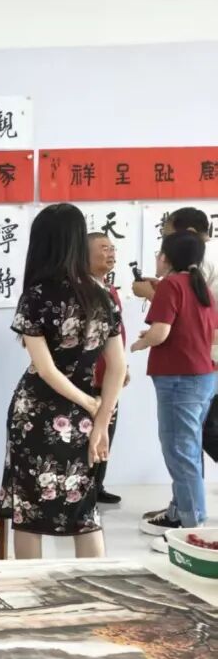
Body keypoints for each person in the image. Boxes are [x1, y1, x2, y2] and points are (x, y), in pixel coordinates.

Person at [0, 204, 127, 560]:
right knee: (85, 511)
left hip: (38, 413)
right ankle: (92, 586)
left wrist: (90, 406)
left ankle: (31, 589)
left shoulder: (36, 295)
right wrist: (100, 419)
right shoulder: (102, 295)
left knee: (29, 512)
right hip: (87, 414)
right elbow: (117, 366)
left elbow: (45, 369)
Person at [131, 230, 217, 540]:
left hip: (179, 379)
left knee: (180, 450)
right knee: (187, 448)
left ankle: (191, 524)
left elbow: (161, 333)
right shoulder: (201, 286)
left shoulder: (171, 285)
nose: (157, 257)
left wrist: (141, 344)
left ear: (166, 258)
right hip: (204, 375)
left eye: (159, 252)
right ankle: (180, 511)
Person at [87, 232, 129, 504]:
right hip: (88, 377)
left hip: (110, 374)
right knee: (87, 432)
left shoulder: (110, 289)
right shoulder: (82, 291)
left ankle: (96, 486)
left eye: (112, 248)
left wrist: (123, 367)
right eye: (104, 248)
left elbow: (117, 335)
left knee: (106, 430)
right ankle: (83, 488)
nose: (111, 253)